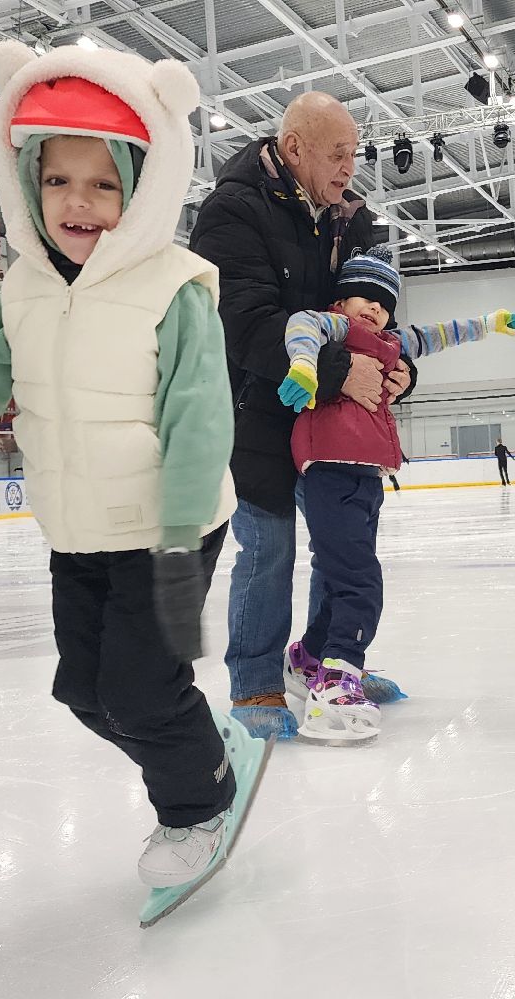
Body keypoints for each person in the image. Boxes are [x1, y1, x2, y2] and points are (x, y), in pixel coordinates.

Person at [0, 40, 250, 893]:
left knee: (143, 692)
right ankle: (201, 750)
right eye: (58, 180)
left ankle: (202, 801)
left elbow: (199, 420)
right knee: (86, 693)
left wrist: (184, 542)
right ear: (28, 184)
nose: (79, 201)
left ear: (140, 189)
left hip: (163, 530)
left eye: (104, 183)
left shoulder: (174, 288)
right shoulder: (14, 298)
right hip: (76, 530)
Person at [191, 90, 414, 739]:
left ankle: (327, 664)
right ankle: (256, 687)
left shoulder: (351, 217)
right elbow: (245, 324)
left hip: (335, 421)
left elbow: (375, 309)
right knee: (268, 546)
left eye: (354, 154)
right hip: (255, 408)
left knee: (343, 547)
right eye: (337, 154)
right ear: (294, 149)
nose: (350, 167)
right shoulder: (232, 212)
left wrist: (399, 370)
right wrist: (344, 372)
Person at [276, 248, 515, 741]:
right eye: (362, 298)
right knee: (360, 583)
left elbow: (436, 336)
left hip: (367, 476)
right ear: (342, 299)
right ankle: (339, 678)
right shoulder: (335, 327)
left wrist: (488, 322)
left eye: (383, 303)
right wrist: (304, 367)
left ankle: (307, 660)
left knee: (342, 576)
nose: (372, 309)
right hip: (331, 470)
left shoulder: (389, 342)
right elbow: (300, 329)